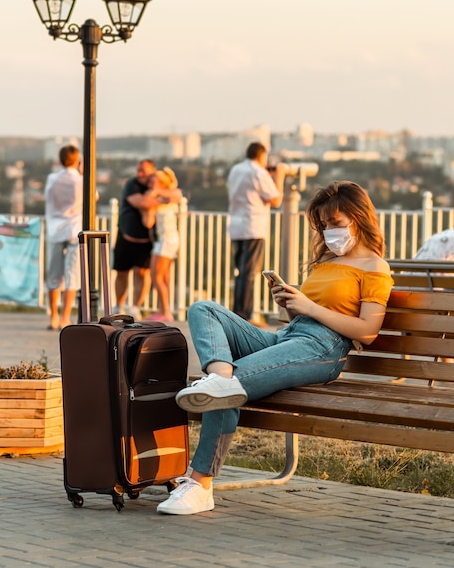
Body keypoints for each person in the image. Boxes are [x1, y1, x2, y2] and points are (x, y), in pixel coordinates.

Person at [156, 180, 394, 515]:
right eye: (324, 225)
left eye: (336, 224)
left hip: (324, 349)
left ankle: (200, 484)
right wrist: (292, 303)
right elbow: (308, 312)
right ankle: (221, 373)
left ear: (359, 218)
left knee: (224, 391)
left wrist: (310, 307)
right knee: (203, 310)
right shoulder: (326, 260)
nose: (329, 232)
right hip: (290, 336)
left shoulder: (375, 268)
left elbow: (368, 332)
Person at [227, 142, 286, 324]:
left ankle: (239, 311)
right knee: (249, 273)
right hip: (252, 226)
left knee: (241, 272)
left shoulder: (236, 169)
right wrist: (280, 177)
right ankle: (244, 315)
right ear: (262, 156)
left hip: (236, 225)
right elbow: (276, 200)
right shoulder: (258, 172)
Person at [44, 144, 83, 330]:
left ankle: (53, 316)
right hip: (74, 228)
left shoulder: (52, 178)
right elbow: (95, 197)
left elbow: (48, 199)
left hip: (54, 228)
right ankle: (65, 317)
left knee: (53, 275)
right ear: (77, 160)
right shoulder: (81, 180)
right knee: (71, 275)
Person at [112, 159, 157, 317]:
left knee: (142, 273)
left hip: (146, 240)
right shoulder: (132, 184)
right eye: (138, 170)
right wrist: (161, 200)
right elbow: (139, 202)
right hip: (126, 235)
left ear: (153, 171)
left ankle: (136, 307)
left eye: (143, 171)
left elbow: (175, 194)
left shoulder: (158, 185)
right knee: (121, 272)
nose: (139, 174)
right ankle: (119, 305)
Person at [140, 167, 182, 321]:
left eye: (154, 180)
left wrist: (153, 196)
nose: (150, 183)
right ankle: (163, 309)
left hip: (167, 239)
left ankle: (165, 311)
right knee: (163, 277)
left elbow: (176, 194)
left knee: (156, 275)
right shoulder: (158, 198)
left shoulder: (169, 195)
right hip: (163, 240)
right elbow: (148, 222)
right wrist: (148, 207)